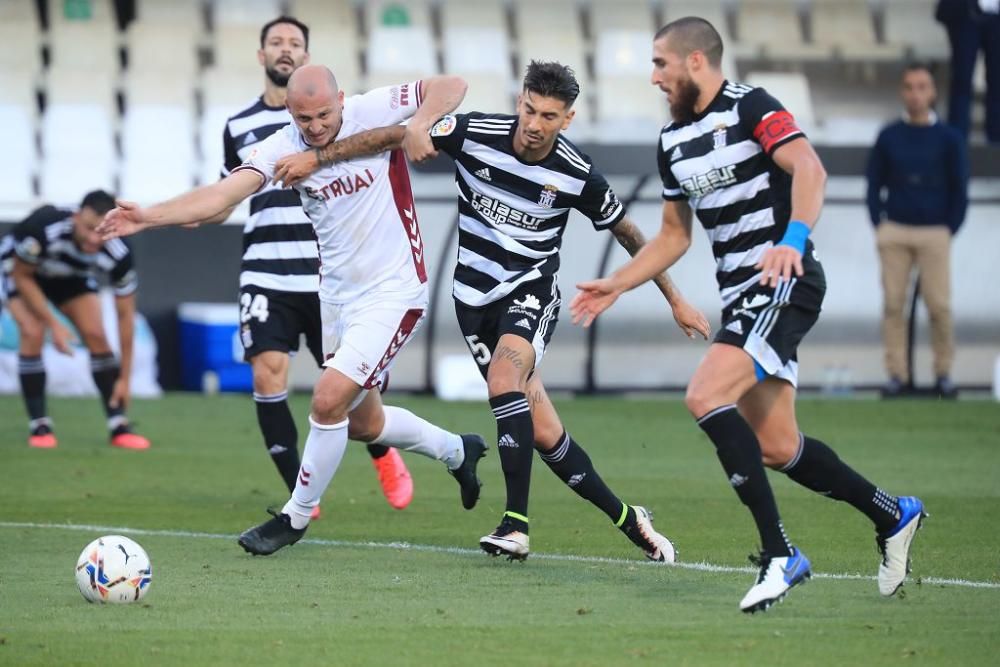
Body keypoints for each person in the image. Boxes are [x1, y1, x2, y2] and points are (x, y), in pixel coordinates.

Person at [272, 61, 712, 563]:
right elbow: (394, 135)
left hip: (528, 295)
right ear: (518, 101)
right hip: (473, 304)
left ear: (566, 119)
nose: (534, 123)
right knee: (545, 434)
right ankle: (629, 518)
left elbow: (629, 233)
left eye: (549, 115)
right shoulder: (473, 132)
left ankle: (516, 525)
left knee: (504, 380)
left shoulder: (577, 174)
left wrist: (675, 299)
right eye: (528, 108)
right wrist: (326, 157)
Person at [570, 18, 926, 613]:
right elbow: (673, 236)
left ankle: (780, 554)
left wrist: (794, 237)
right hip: (743, 297)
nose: (653, 76)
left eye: (661, 63)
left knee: (705, 394)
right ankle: (892, 514)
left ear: (696, 63)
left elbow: (810, 169)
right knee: (776, 445)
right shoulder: (671, 142)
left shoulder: (751, 107)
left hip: (785, 282)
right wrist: (619, 283)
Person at [97, 65, 487, 556]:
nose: (317, 125)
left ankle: (295, 517)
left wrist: (419, 122)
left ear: (341, 100)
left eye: (325, 113)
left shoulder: (374, 107)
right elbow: (223, 194)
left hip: (394, 291)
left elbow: (452, 86)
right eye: (305, 118)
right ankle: (458, 450)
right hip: (336, 298)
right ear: (289, 111)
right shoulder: (281, 145)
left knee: (326, 400)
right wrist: (148, 217)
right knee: (365, 423)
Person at [209, 16, 415, 512]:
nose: (285, 49)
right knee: (267, 372)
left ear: (306, 57)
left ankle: (383, 451)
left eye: (294, 43)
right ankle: (298, 493)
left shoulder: (340, 122)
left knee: (347, 391)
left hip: (329, 275)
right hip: (266, 269)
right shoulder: (239, 126)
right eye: (275, 42)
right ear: (262, 56)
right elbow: (226, 195)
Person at [0, 190, 151, 450]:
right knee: (32, 330)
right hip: (22, 272)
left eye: (101, 231)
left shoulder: (120, 251)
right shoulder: (44, 227)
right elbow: (23, 276)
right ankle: (40, 425)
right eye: (89, 228)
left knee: (96, 334)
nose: (94, 239)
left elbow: (125, 316)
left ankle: (118, 425)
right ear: (76, 216)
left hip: (70, 274)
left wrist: (125, 379)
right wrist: (54, 324)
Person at [866, 63, 968, 398]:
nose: (916, 94)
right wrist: (880, 223)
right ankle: (897, 374)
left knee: (939, 306)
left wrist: (949, 227)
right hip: (895, 230)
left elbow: (959, 187)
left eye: (922, 87)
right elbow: (874, 182)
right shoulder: (889, 135)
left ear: (933, 92)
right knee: (893, 305)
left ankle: (943, 374)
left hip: (934, 232)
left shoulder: (950, 138)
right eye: (909, 87)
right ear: (902, 91)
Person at [935, 0, 1000, 143]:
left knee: (997, 83)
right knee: (961, 80)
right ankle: (957, 142)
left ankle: (996, 145)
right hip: (964, 11)